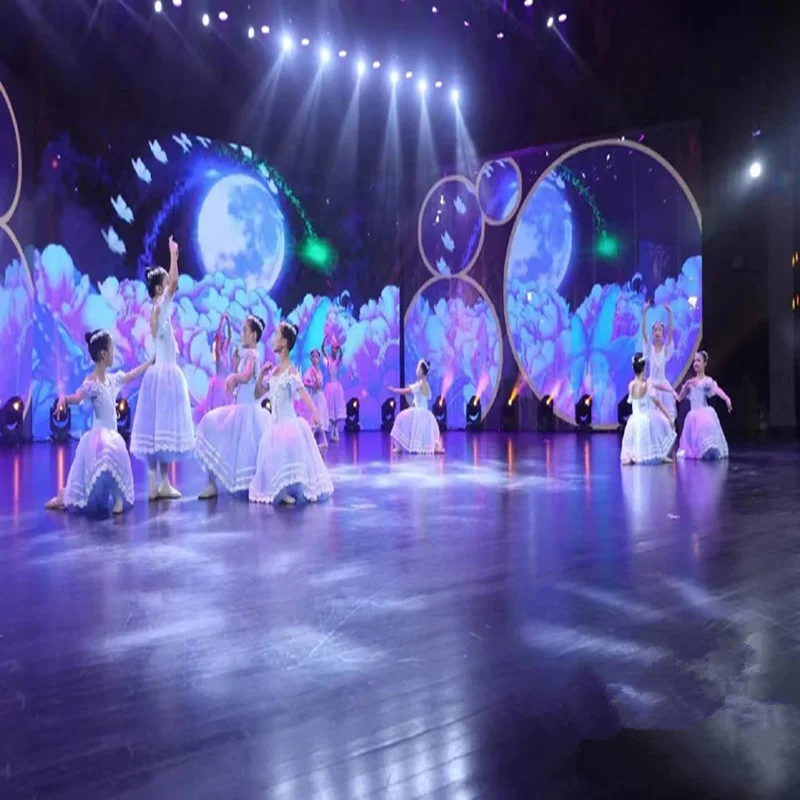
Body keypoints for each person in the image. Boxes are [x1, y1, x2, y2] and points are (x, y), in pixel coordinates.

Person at [45, 330, 153, 514]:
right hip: (99, 436)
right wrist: (64, 399)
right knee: (109, 452)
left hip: (112, 434)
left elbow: (131, 375)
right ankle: (65, 495)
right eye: (111, 350)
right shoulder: (91, 382)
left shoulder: (113, 380)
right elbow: (78, 397)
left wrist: (150, 363)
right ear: (103, 354)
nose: (113, 354)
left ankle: (118, 496)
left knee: (115, 455)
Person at [130, 236, 195, 499]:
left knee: (157, 429)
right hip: (166, 375)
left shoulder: (154, 310)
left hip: (157, 376)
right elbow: (176, 282)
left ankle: (157, 482)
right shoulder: (162, 305)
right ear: (159, 288)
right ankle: (161, 483)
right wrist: (174, 256)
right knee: (164, 426)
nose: (169, 286)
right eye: (165, 284)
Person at [249, 321, 334, 505]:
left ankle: (290, 487)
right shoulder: (273, 372)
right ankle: (281, 488)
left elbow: (303, 393)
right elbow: (257, 394)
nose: (273, 339)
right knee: (273, 451)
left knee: (287, 451)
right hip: (275, 425)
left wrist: (315, 413)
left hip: (288, 423)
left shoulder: (291, 371)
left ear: (285, 342)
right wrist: (262, 375)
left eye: (277, 335)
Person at [195, 315, 273, 498]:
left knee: (248, 447)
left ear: (254, 335)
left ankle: (250, 483)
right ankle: (211, 481)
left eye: (245, 330)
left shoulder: (253, 354)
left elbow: (246, 376)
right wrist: (235, 365)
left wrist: (233, 377)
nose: (242, 333)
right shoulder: (246, 354)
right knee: (213, 426)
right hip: (240, 408)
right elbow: (240, 378)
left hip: (248, 410)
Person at [620, 352, 678, 465]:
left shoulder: (630, 385)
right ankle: (658, 455)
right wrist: (669, 418)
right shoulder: (647, 384)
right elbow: (659, 403)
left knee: (634, 441)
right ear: (644, 367)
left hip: (634, 420)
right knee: (657, 429)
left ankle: (633, 455)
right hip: (645, 418)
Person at [677, 350, 732, 460]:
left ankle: (709, 450)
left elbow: (716, 390)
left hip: (703, 413)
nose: (696, 363)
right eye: (694, 361)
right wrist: (686, 386)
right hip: (692, 416)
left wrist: (726, 398)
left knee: (704, 431)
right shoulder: (691, 382)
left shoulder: (707, 381)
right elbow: (680, 397)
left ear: (704, 364)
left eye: (698, 360)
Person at [387, 359, 444, 454]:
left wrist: (394, 390)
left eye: (418, 368)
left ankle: (399, 446)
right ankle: (433, 447)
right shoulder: (426, 385)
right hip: (425, 413)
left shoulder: (420, 385)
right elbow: (423, 397)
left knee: (400, 418)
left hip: (419, 412)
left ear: (421, 371)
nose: (417, 370)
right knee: (424, 432)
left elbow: (406, 391)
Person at [641, 300, 676, 421]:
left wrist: (670, 313)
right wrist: (645, 313)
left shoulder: (665, 350)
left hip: (662, 383)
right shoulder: (650, 349)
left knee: (665, 416)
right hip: (652, 385)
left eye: (659, 330)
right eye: (655, 330)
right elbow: (644, 333)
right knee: (651, 415)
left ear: (662, 333)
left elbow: (671, 332)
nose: (657, 332)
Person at [299, 349, 329, 449]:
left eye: (316, 357)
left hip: (319, 397)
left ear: (319, 358)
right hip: (313, 397)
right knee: (313, 419)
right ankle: (312, 441)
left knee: (319, 419)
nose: (315, 359)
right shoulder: (309, 370)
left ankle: (322, 441)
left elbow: (319, 385)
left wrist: (314, 381)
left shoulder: (318, 371)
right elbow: (304, 382)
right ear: (311, 358)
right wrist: (311, 384)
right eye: (313, 357)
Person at [205, 312, 234, 411]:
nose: (224, 339)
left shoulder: (225, 350)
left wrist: (228, 322)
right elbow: (217, 336)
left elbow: (230, 337)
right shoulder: (218, 353)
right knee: (217, 407)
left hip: (225, 383)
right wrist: (221, 322)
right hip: (218, 384)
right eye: (222, 338)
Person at [322, 335, 346, 442]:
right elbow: (322, 349)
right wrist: (325, 339)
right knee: (330, 408)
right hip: (330, 387)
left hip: (336, 387)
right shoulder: (328, 360)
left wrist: (338, 344)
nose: (333, 351)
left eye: (334, 349)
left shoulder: (337, 361)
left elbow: (342, 353)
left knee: (336, 408)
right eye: (332, 349)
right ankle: (332, 429)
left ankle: (336, 429)